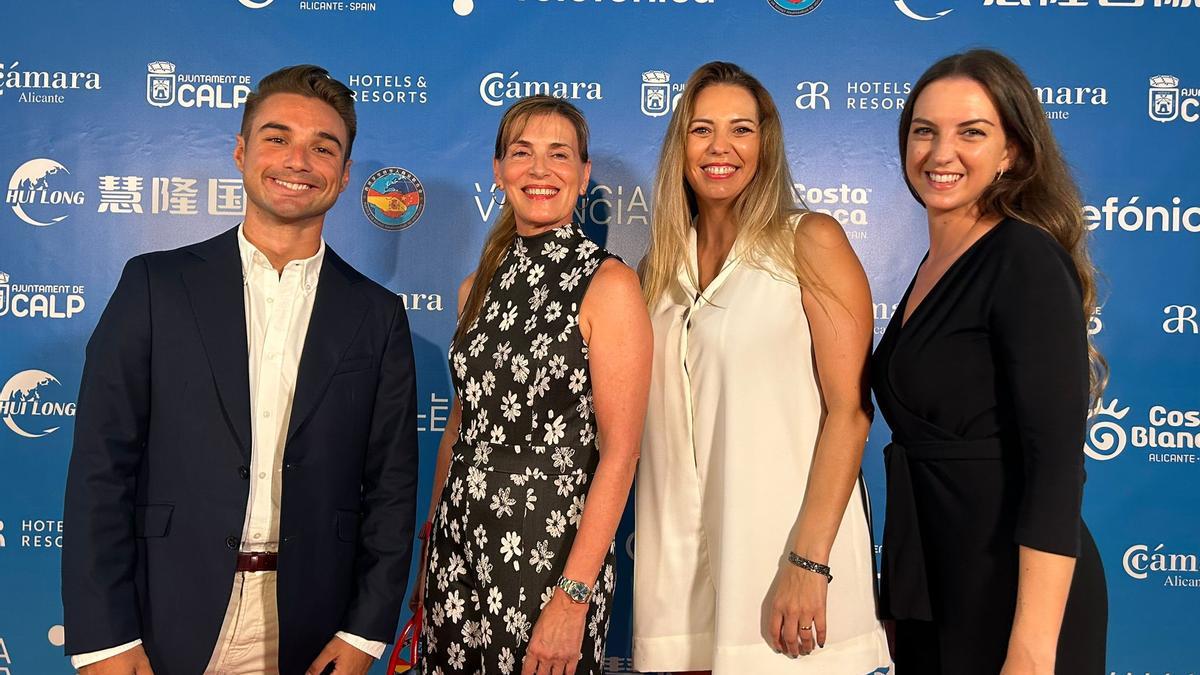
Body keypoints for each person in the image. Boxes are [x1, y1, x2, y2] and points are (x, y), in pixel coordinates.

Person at [62, 65, 420, 675]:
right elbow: (101, 467)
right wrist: (104, 640)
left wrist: (365, 635)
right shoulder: (155, 285)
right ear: (241, 151)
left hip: (313, 621)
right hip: (167, 613)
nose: (298, 160)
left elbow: (391, 488)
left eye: (322, 147)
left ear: (345, 173)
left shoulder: (378, 315)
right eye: (277, 138)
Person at [633, 61, 891, 674]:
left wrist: (808, 563)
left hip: (786, 563)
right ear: (681, 145)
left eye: (741, 129)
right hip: (680, 572)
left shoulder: (811, 241)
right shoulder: (655, 273)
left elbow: (849, 414)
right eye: (702, 129)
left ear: (765, 144)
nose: (721, 147)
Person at [871, 49, 1108, 673]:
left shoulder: (1023, 260)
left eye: (971, 132)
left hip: (1015, 594)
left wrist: (1031, 650)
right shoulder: (930, 267)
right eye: (925, 131)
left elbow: (1055, 468)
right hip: (934, 581)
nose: (940, 153)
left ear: (1013, 153)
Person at [413, 96, 651, 675]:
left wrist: (573, 596)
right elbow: (462, 427)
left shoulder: (609, 284)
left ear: (583, 173)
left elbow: (621, 453)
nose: (539, 170)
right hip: (458, 550)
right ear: (498, 171)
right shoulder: (475, 287)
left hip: (548, 559)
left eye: (559, 154)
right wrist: (431, 553)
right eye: (522, 153)